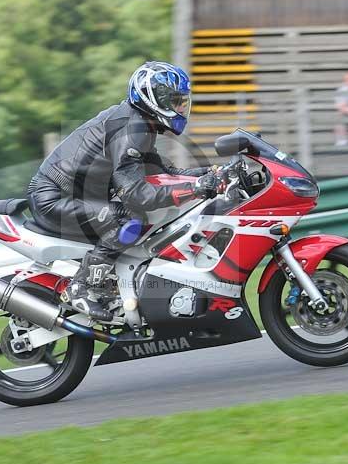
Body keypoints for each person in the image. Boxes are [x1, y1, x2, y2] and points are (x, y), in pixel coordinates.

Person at [26, 61, 219, 321]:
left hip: (74, 195)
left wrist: (210, 175)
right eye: (175, 101)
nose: (181, 107)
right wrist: (195, 188)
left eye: (183, 101)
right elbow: (135, 194)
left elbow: (164, 172)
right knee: (131, 220)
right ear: (155, 99)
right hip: (56, 199)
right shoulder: (132, 129)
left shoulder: (140, 123)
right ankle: (81, 287)